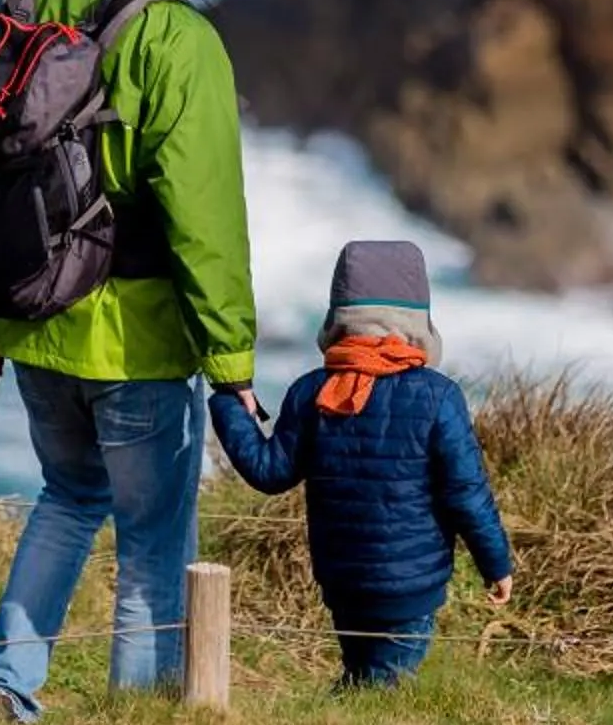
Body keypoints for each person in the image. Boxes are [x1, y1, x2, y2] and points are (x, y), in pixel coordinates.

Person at [0, 0, 258, 722]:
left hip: (30, 316)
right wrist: (232, 363)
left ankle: (8, 687)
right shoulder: (177, 37)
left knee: (67, 495)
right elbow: (206, 220)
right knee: (153, 544)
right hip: (137, 339)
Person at [208, 240, 513, 689]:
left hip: (343, 584)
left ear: (338, 315)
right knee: (380, 691)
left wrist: (230, 402)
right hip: (411, 589)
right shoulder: (438, 396)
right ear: (419, 321)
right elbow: (466, 495)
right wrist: (497, 565)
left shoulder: (312, 390)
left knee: (363, 679)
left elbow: (269, 471)